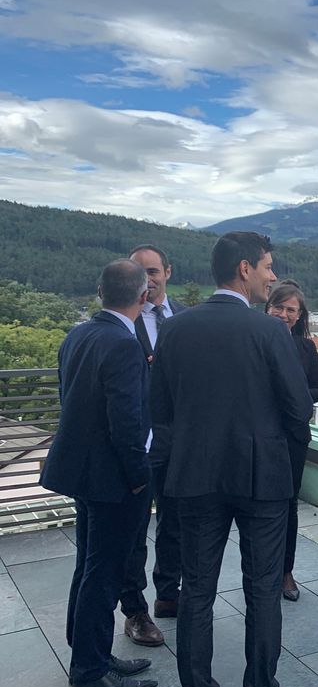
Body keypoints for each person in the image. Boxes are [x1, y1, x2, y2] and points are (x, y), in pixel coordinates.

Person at [150, 232, 314, 687]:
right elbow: (299, 409)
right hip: (262, 477)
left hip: (195, 475)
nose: (272, 275)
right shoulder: (270, 332)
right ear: (245, 269)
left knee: (197, 590)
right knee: (262, 590)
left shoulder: (175, 329)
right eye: (267, 266)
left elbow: (160, 411)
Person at [40, 259, 158, 687]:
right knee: (104, 573)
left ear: (99, 291)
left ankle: (91, 655)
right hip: (115, 481)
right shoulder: (123, 344)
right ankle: (90, 672)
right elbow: (126, 422)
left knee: (88, 566)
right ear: (144, 296)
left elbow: (69, 398)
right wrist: (139, 477)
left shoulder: (78, 335)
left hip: (84, 474)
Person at [115, 244, 187, 649]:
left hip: (179, 441)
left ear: (168, 272)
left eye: (154, 271)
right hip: (139, 442)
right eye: (141, 272)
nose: (149, 279)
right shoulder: (123, 322)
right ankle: (135, 611)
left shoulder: (186, 318)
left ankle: (168, 593)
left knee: (175, 523)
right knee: (134, 530)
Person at [265, 280, 318, 601]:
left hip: (293, 437)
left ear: (300, 315)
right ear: (268, 307)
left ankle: (286, 571)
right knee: (260, 505)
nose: (284, 314)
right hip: (260, 436)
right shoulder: (255, 339)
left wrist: (294, 393)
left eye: (291, 310)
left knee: (289, 505)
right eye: (279, 307)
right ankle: (263, 570)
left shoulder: (305, 348)